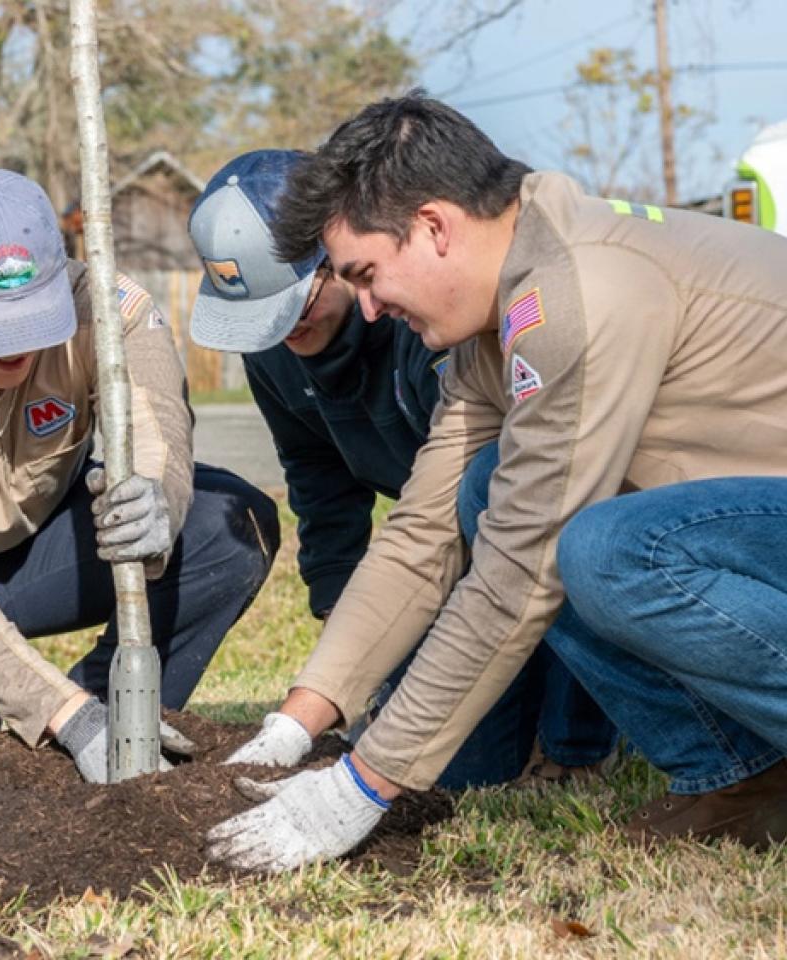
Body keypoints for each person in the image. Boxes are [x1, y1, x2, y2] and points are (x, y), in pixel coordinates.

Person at [206, 91, 787, 872]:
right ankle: (748, 774)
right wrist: (299, 724)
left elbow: (525, 563)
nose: (370, 310)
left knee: (603, 549)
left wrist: (362, 787)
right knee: (483, 491)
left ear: (436, 226)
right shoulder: (495, 324)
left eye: (368, 275)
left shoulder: (576, 293)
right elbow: (423, 530)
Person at [0, 168, 279, 782]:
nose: (17, 345)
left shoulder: (109, 311)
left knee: (230, 525)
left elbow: (156, 426)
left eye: (35, 314)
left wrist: (155, 502)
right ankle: (67, 722)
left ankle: (112, 712)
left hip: (48, 547)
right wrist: (67, 716)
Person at [188, 149, 614, 788]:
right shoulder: (273, 355)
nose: (285, 331)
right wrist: (339, 678)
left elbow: (500, 507)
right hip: (441, 545)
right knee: (465, 770)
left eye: (296, 303)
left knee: (495, 496)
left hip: (507, 521)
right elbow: (318, 482)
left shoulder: (422, 322)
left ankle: (576, 742)